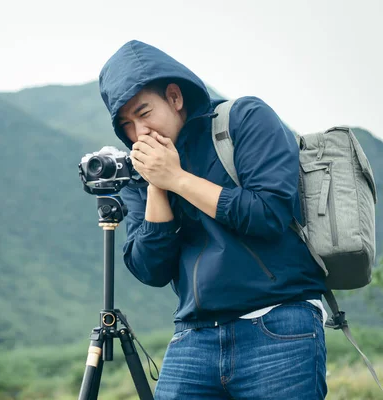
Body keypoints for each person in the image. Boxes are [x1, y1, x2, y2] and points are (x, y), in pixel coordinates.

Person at [99, 40, 329, 399]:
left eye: (144, 114)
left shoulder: (243, 119)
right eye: (127, 125)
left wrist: (177, 179)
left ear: (175, 97)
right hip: (193, 337)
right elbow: (151, 270)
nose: (138, 133)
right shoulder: (140, 172)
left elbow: (268, 214)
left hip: (279, 325)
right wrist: (158, 185)